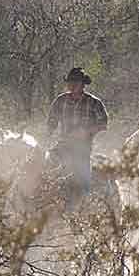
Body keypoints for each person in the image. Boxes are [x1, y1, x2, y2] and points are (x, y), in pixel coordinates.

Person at [45, 65, 108, 196]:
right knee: (47, 165)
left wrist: (86, 131)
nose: (72, 86)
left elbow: (103, 123)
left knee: (83, 178)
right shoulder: (60, 101)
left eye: (75, 83)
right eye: (70, 83)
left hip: (83, 148)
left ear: (82, 85)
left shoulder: (94, 102)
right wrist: (46, 137)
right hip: (63, 145)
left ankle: (85, 202)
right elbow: (51, 122)